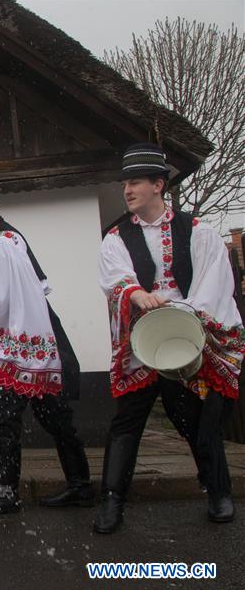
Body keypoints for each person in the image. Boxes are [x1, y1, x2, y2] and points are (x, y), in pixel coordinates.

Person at [94, 143, 244, 533]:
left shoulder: (197, 231)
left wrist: (186, 312)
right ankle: (111, 501)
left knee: (193, 420)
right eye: (125, 183)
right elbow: (115, 276)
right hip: (142, 344)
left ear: (159, 185)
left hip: (183, 342)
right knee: (127, 421)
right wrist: (137, 293)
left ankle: (218, 492)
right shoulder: (116, 236)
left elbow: (216, 280)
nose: (127, 189)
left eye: (136, 182)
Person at [0, 173, 92, 517]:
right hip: (34, 339)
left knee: (11, 418)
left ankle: (7, 493)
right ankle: (79, 485)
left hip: (24, 343)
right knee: (52, 417)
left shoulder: (2, 241)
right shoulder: (4, 237)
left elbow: (0, 298)